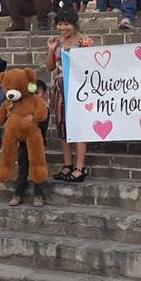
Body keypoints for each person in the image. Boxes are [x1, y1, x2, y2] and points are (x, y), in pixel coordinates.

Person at [46, 10, 94, 183]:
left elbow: (91, 66)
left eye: (66, 24)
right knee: (63, 127)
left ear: (74, 24)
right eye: (59, 24)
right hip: (61, 89)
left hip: (80, 89)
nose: (62, 28)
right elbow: (50, 67)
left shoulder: (85, 42)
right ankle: (67, 164)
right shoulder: (56, 43)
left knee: (79, 127)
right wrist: (51, 50)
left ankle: (80, 167)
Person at [10, 79, 49, 207]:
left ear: (44, 95)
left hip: (38, 145)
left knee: (38, 170)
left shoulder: (44, 110)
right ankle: (18, 194)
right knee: (22, 170)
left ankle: (39, 195)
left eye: (37, 93)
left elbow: (42, 127)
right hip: (23, 145)